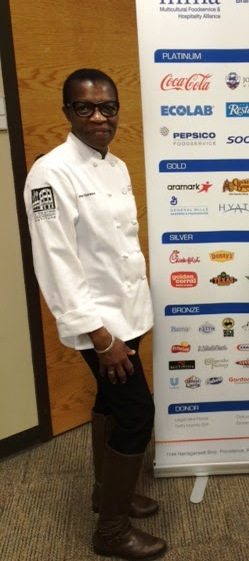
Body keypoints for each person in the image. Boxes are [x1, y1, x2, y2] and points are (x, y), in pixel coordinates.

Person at [24, 69, 167, 560]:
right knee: (137, 414)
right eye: (85, 107)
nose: (99, 117)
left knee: (110, 404)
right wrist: (101, 338)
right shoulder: (51, 173)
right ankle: (110, 531)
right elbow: (56, 262)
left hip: (130, 312)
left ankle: (106, 494)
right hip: (99, 323)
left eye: (108, 106)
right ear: (67, 111)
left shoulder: (117, 165)